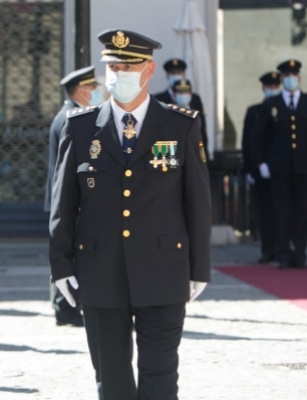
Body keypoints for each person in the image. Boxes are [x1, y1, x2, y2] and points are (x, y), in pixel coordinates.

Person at [49, 29, 211, 400]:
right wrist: (61, 265)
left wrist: (199, 267)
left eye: (128, 66)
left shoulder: (180, 124)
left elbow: (198, 203)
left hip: (164, 268)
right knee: (112, 378)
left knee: (160, 376)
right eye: (113, 66)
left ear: (149, 69)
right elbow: (63, 204)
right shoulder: (80, 126)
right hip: (100, 271)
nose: (118, 73)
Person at [250, 59, 307, 269]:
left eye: (293, 75)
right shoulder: (272, 104)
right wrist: (261, 163)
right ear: (282, 78)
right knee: (282, 212)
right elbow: (256, 137)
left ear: (299, 77)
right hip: (279, 168)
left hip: (305, 167)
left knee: (304, 211)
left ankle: (300, 251)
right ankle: (283, 252)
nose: (290, 79)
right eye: (286, 76)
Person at [43, 65, 99, 328]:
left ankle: (64, 306)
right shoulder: (70, 117)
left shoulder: (67, 114)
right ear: (80, 90)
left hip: (61, 197)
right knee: (66, 252)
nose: (95, 93)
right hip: (66, 198)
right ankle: (64, 307)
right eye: (92, 89)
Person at [243, 72, 282, 263]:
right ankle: (268, 249)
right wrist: (250, 169)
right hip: (260, 169)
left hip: (282, 169)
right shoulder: (254, 111)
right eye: (269, 86)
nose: (272, 89)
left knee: (282, 211)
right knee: (265, 211)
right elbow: (247, 142)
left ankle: (283, 248)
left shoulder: (285, 109)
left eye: (275, 85)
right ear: (263, 88)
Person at [154, 58, 208, 154]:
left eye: (179, 72)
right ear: (167, 75)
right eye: (172, 73)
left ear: (183, 74)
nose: (176, 75)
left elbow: (202, 128)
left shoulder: (194, 98)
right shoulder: (158, 99)